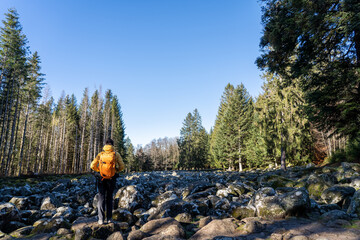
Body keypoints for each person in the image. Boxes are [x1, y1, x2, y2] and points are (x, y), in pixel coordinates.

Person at [90, 138, 125, 225]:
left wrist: (99, 170)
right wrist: (116, 171)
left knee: (101, 198)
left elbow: (92, 165)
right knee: (109, 198)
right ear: (112, 145)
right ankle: (109, 219)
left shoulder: (100, 154)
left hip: (101, 179)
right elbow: (122, 166)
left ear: (105, 145)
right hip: (111, 179)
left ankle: (101, 219)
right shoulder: (116, 154)